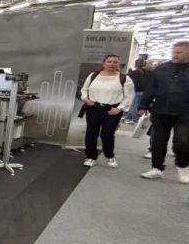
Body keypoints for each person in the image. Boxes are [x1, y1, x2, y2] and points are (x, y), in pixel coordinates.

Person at [138, 41, 189, 183]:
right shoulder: (161, 68)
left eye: (179, 52)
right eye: (174, 52)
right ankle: (157, 168)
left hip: (185, 113)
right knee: (157, 142)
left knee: (183, 142)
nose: (175, 55)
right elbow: (150, 88)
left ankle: (183, 167)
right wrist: (143, 105)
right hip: (160, 111)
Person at [80, 54, 134, 168]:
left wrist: (119, 108)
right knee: (91, 133)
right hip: (93, 108)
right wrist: (85, 99)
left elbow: (129, 96)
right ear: (104, 63)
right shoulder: (93, 75)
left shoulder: (124, 78)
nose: (112, 64)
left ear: (118, 64)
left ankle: (109, 155)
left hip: (112, 110)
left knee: (107, 134)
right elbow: (84, 89)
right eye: (109, 61)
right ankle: (90, 157)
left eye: (115, 62)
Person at [124, 58, 148, 123]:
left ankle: (134, 119)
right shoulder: (144, 72)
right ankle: (129, 117)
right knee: (134, 104)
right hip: (142, 91)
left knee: (134, 105)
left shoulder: (135, 72)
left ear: (136, 64)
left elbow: (125, 77)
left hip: (137, 91)